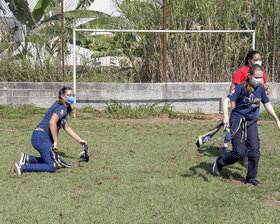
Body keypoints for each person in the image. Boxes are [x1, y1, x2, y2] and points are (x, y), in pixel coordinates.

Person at [213, 64, 280, 186]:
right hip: (238, 121)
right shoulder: (240, 87)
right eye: (256, 77)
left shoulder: (260, 88)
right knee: (238, 153)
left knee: (254, 151)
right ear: (249, 76)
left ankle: (251, 178)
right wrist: (226, 118)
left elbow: (267, 104)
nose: (259, 80)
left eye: (261, 77)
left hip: (251, 122)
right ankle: (219, 162)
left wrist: (277, 120)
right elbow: (226, 100)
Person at [14, 87, 87, 175]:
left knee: (55, 160)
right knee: (52, 166)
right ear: (62, 96)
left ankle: (27, 158)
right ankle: (22, 167)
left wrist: (80, 140)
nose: (72, 97)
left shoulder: (62, 107)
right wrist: (56, 141)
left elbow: (67, 127)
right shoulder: (61, 108)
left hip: (39, 136)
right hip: (40, 138)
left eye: (73, 95)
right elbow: (52, 122)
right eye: (69, 95)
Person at [230, 50, 270, 167]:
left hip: (254, 108)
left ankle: (248, 156)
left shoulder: (260, 72)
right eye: (256, 59)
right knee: (241, 134)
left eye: (260, 59)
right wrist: (233, 108)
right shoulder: (240, 72)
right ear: (249, 61)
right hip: (241, 110)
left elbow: (263, 85)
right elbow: (233, 90)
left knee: (252, 135)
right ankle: (242, 154)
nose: (259, 61)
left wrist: (266, 89)